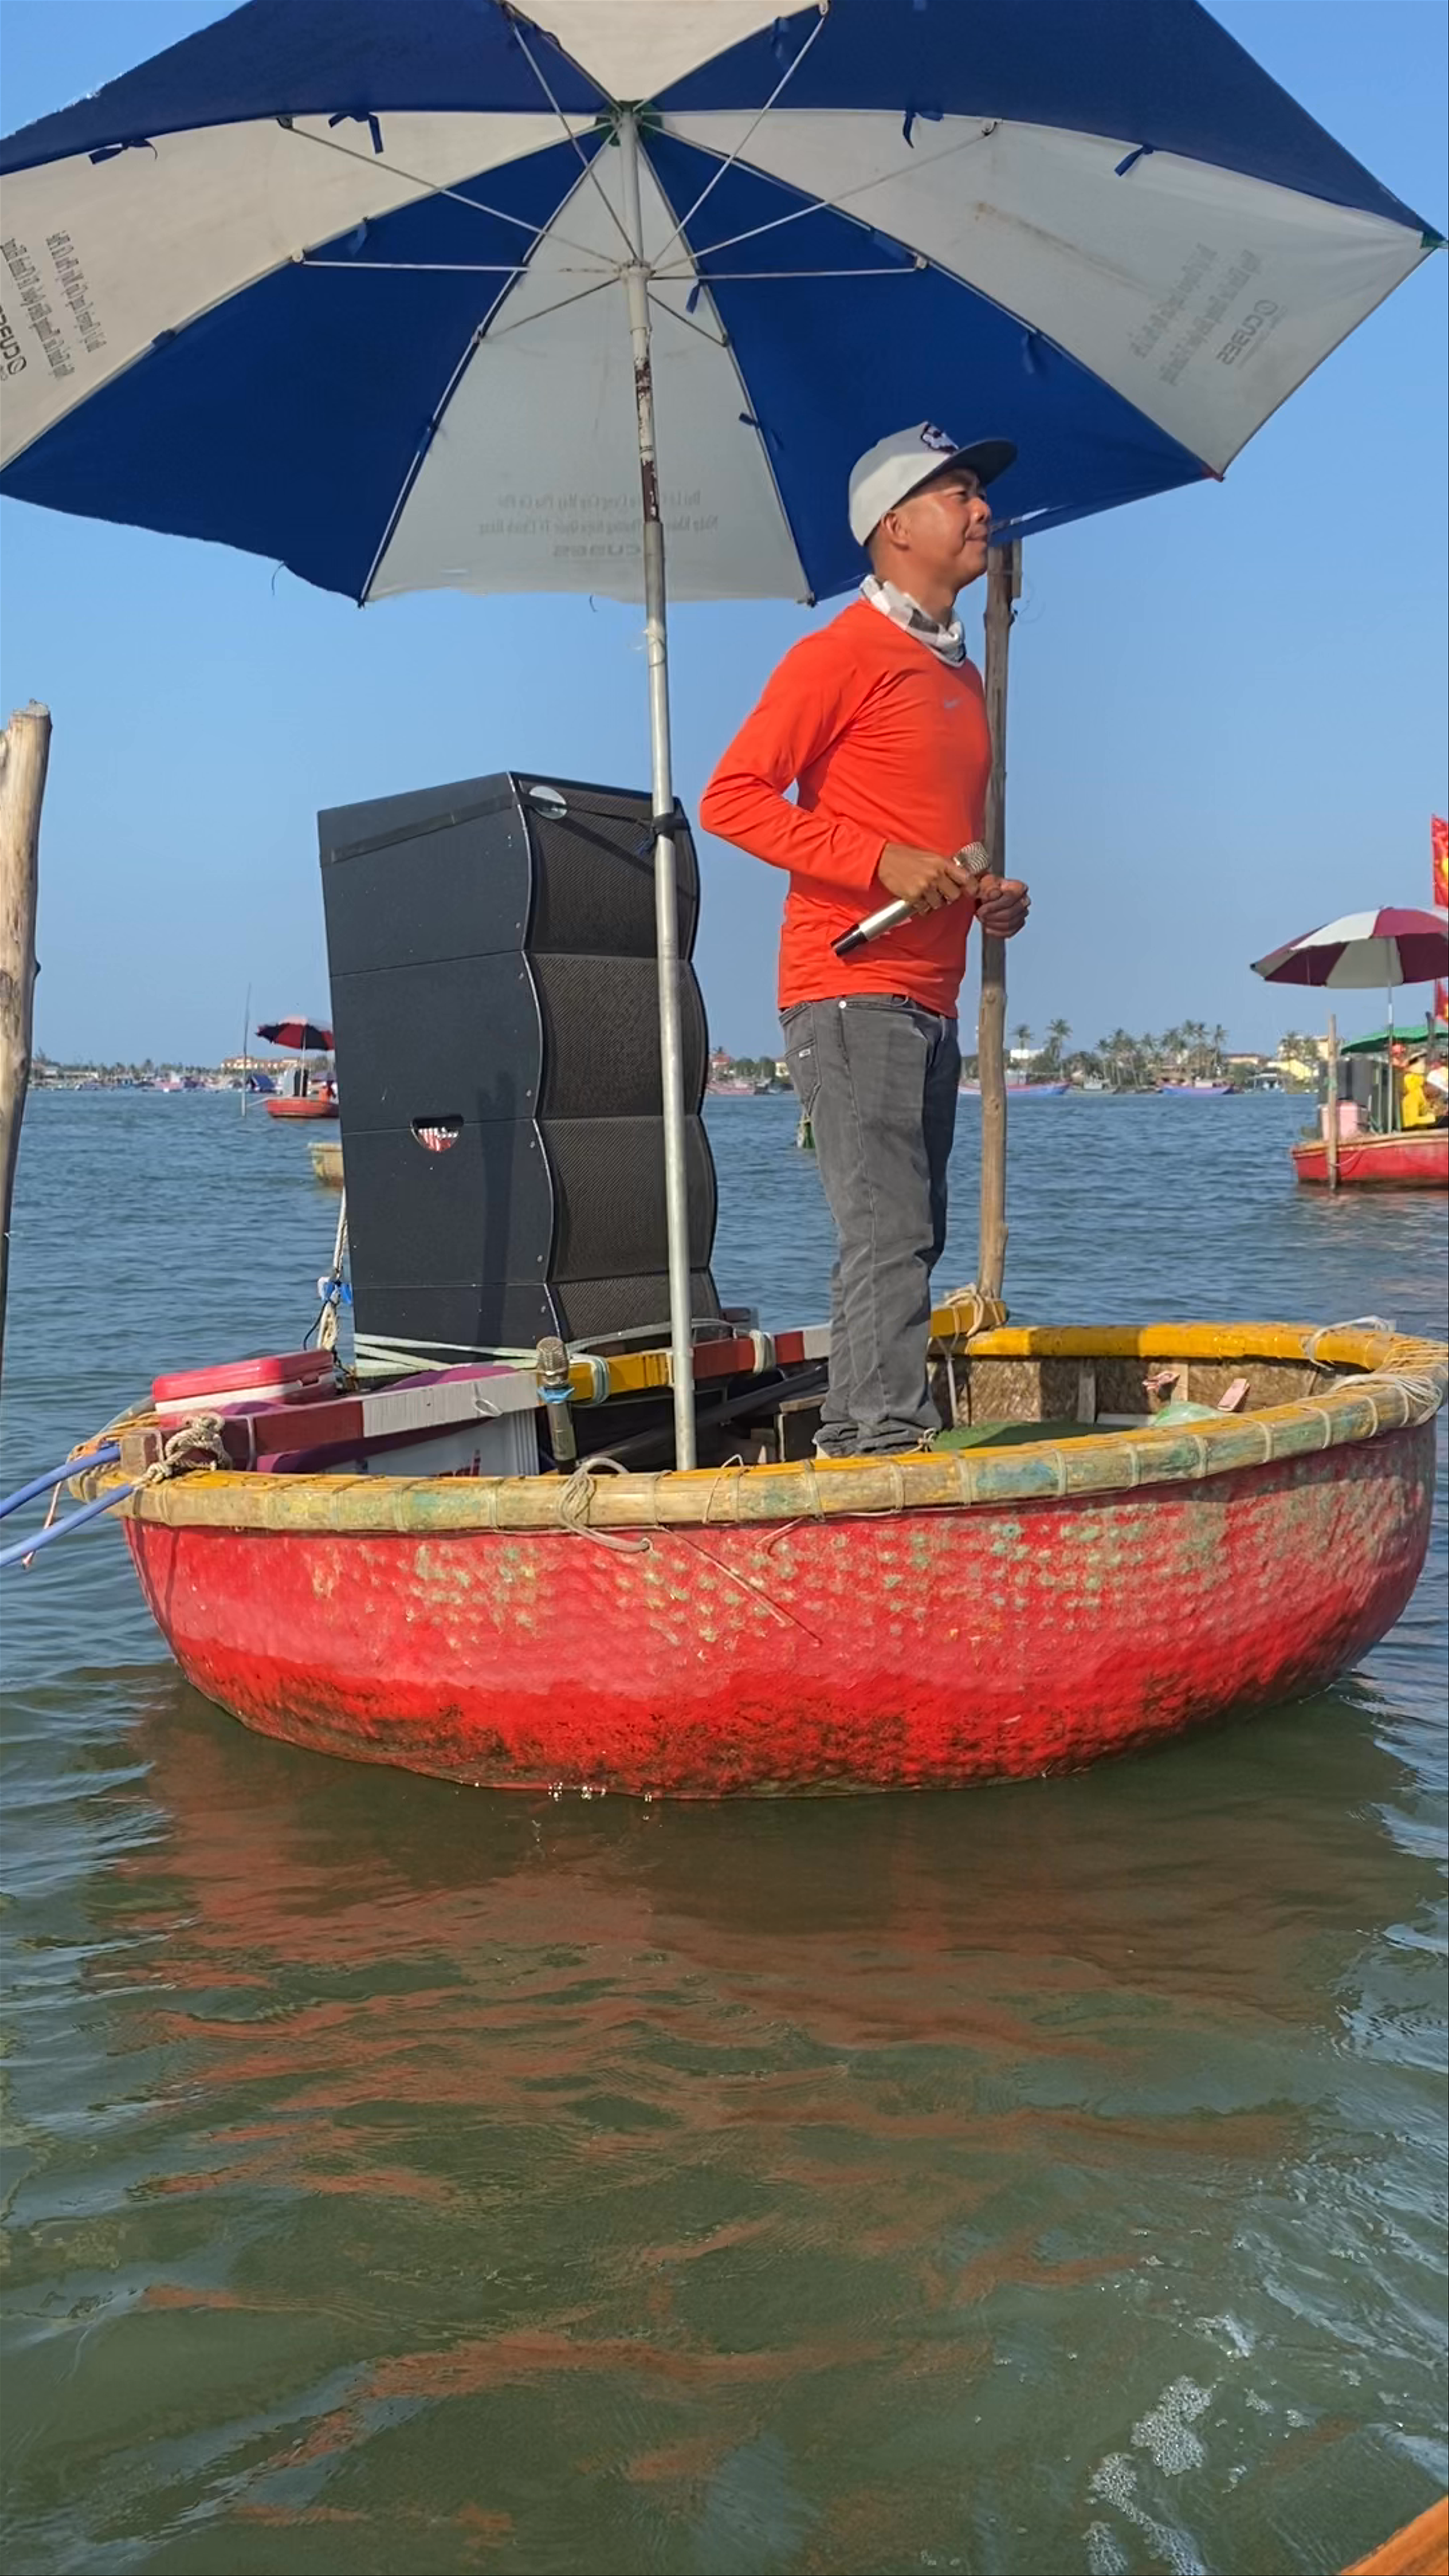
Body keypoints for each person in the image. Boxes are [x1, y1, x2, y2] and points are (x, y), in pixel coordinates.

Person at [700, 423, 1030, 1456]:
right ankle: (887, 1442)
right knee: (888, 1230)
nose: (983, 511)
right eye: (959, 493)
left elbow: (939, 845)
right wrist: (877, 861)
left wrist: (988, 897)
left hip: (928, 991)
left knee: (903, 1231)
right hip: (850, 987)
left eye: (981, 494)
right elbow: (730, 799)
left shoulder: (964, 674)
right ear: (896, 528)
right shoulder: (839, 653)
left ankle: (857, 1430)